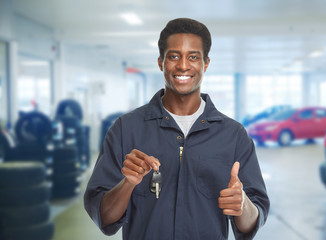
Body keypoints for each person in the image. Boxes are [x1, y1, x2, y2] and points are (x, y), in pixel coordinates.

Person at [84, 18, 269, 240]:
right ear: (161, 62)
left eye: (193, 57)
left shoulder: (233, 135)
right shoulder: (126, 129)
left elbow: (252, 221)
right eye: (174, 56)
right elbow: (104, 217)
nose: (183, 65)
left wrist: (243, 204)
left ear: (205, 63)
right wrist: (128, 184)